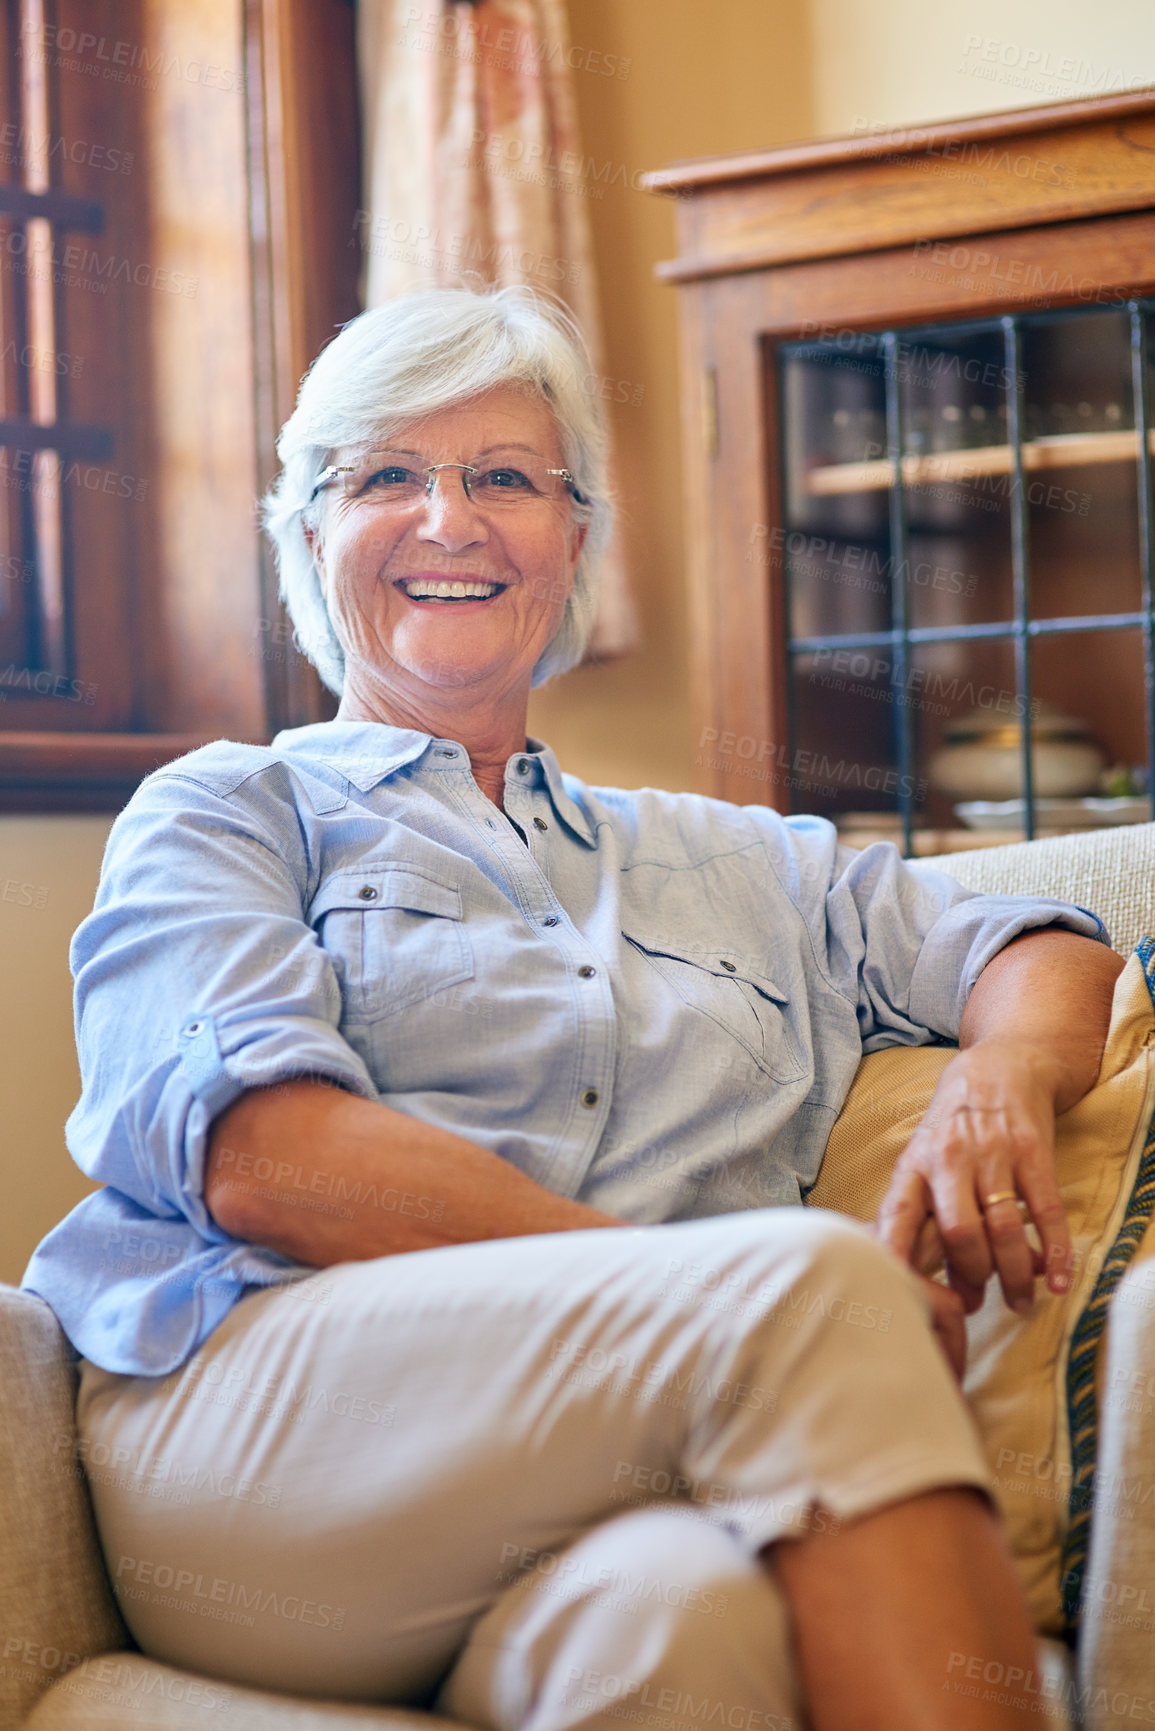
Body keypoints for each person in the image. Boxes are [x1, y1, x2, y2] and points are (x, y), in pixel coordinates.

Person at [24, 287, 1122, 1730]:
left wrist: (999, 1085)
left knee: (687, 1625)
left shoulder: (745, 858)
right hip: (270, 1435)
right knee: (808, 1285)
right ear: (309, 537)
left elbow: (1043, 949)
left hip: (626, 1471)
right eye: (386, 478)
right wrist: (690, 1298)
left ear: (576, 544)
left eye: (503, 480)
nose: (448, 521)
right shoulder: (230, 809)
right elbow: (260, 1154)